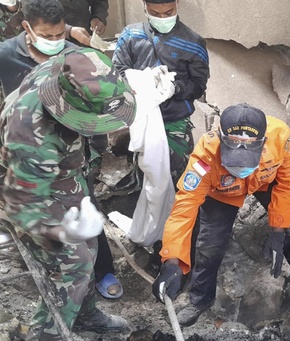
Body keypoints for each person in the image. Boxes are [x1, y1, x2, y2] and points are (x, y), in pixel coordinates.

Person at [152, 104, 290, 338]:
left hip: (266, 182)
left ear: (263, 143)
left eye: (247, 160)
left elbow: (287, 185)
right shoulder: (206, 154)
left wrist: (278, 228)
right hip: (222, 191)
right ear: (222, 142)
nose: (240, 168)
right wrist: (171, 261)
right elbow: (184, 208)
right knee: (209, 244)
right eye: (234, 161)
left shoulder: (283, 140)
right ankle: (200, 299)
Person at [0, 47, 136, 340]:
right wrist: (60, 233)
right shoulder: (31, 136)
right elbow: (21, 206)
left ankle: (84, 315)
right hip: (25, 187)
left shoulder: (72, 68)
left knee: (92, 243)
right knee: (73, 265)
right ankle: (45, 335)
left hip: (64, 169)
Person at [0, 0, 124, 300]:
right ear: (27, 27)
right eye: (47, 35)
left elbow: (93, 106)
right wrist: (61, 236)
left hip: (71, 159)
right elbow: (22, 207)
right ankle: (54, 313)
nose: (54, 42)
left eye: (59, 35)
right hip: (29, 158)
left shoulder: (72, 56)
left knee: (89, 232)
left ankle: (96, 282)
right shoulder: (6, 56)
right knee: (65, 254)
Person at [112, 0, 209, 268]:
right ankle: (155, 240)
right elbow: (116, 74)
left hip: (174, 124)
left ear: (177, 5)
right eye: (156, 13)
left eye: (168, 13)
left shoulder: (192, 41)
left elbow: (199, 84)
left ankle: (179, 249)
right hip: (142, 122)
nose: (162, 17)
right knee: (149, 181)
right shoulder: (131, 36)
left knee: (182, 186)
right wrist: (140, 82)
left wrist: (173, 88)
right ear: (145, 7)